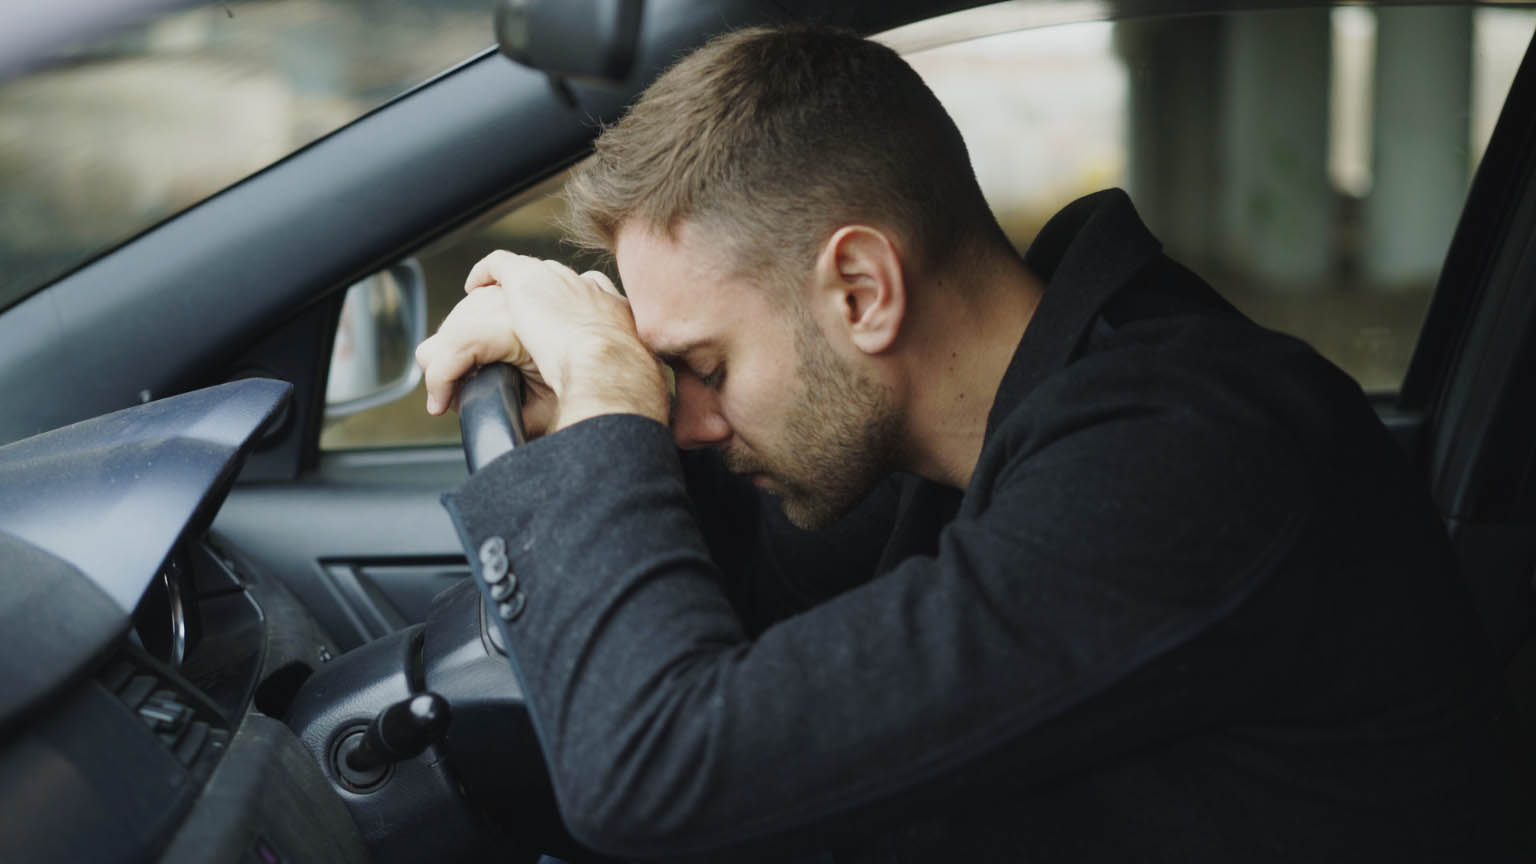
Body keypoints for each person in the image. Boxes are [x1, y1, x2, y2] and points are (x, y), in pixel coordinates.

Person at [413, 25, 1525, 863]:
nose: (689, 422)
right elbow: (750, 616)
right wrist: (614, 407)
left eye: (703, 369)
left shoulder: (1183, 457)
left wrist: (609, 407)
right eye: (669, 380)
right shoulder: (951, 435)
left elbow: (657, 773)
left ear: (861, 289)